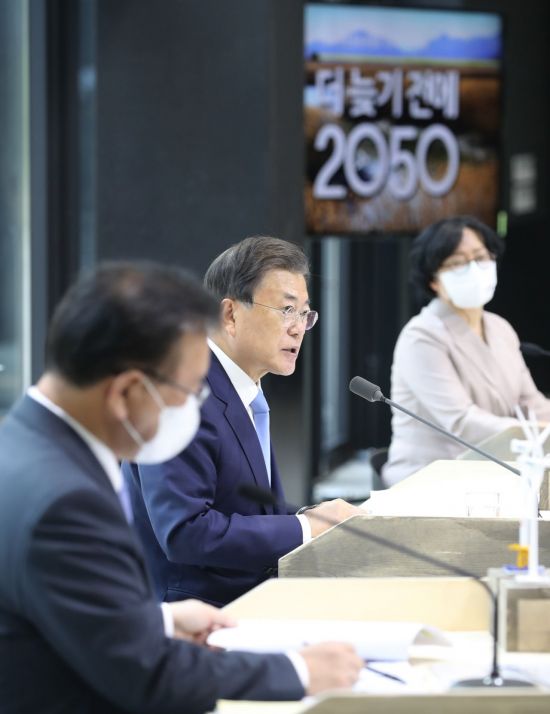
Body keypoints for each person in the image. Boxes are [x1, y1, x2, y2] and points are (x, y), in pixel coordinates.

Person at [0, 262, 362, 714]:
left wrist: (159, 621)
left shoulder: (25, 443)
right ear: (128, 391)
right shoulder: (66, 502)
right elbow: (145, 674)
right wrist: (299, 671)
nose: (196, 406)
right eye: (190, 390)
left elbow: (66, 611)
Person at [123, 236, 363, 606]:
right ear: (230, 315)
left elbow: (248, 509)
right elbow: (185, 532)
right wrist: (306, 526)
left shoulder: (241, 387)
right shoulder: (178, 395)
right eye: (286, 310)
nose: (298, 328)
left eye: (304, 314)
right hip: (198, 617)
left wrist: (313, 517)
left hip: (254, 600)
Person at [383, 215, 550, 486]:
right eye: (457, 263)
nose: (473, 268)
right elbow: (462, 422)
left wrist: (542, 425)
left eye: (480, 257)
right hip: (429, 481)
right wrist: (533, 432)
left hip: (497, 473)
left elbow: (531, 403)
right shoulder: (421, 336)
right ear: (433, 279)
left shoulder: (500, 328)